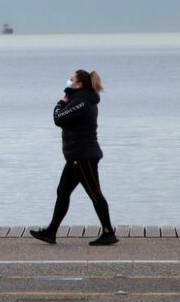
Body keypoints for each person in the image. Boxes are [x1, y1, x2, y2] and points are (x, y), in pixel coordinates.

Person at [31, 70, 119, 246]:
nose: (68, 81)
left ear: (79, 84)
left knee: (95, 194)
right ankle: (51, 232)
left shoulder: (82, 101)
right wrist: (67, 100)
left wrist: (61, 102)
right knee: (62, 192)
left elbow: (59, 119)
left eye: (71, 79)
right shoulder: (78, 99)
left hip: (83, 156)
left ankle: (108, 233)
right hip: (75, 156)